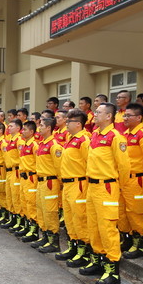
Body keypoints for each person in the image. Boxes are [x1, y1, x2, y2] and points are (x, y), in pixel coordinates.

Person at [80, 102, 130, 284]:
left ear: (109, 116)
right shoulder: (95, 135)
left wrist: (118, 186)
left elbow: (124, 167)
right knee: (94, 226)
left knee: (108, 228)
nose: (95, 114)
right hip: (92, 187)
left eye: (99, 112)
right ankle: (98, 260)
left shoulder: (115, 137)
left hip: (107, 187)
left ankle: (112, 269)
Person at [119, 103, 143, 259]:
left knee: (136, 212)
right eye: (124, 115)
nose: (125, 118)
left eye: (129, 115)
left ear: (139, 118)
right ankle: (126, 238)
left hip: (138, 180)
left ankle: (138, 243)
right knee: (122, 212)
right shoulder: (124, 135)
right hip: (123, 181)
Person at [58, 109, 91, 267]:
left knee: (79, 219)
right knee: (70, 219)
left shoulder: (84, 139)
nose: (66, 124)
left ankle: (83, 253)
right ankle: (73, 247)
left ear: (78, 124)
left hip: (79, 184)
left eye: (69, 122)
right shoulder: (70, 139)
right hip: (67, 184)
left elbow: (89, 163)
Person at [32, 118, 64, 253]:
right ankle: (45, 236)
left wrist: (61, 183)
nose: (39, 128)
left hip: (50, 182)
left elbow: (59, 166)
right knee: (41, 210)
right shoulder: (41, 144)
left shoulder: (54, 145)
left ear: (49, 128)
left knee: (50, 211)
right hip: (41, 181)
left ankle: (54, 241)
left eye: (42, 126)